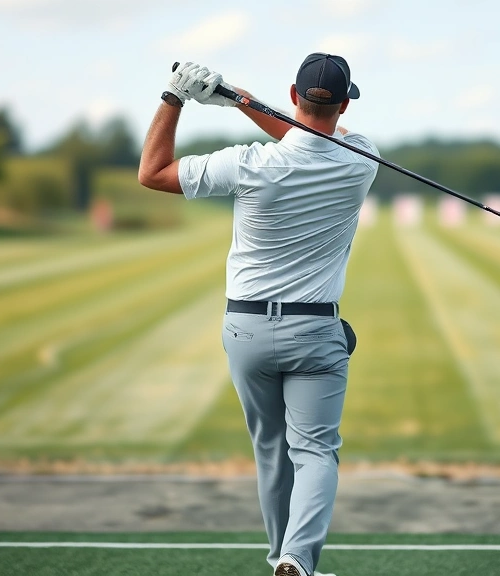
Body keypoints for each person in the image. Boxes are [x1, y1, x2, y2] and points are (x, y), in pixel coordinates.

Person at [138, 54, 378, 576]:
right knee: (314, 452)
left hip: (246, 329)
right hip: (316, 330)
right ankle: (295, 560)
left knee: (272, 450)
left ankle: (282, 561)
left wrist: (176, 98)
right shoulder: (361, 158)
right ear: (344, 104)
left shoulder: (248, 163)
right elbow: (312, 135)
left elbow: (152, 173)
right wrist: (234, 97)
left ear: (293, 95)